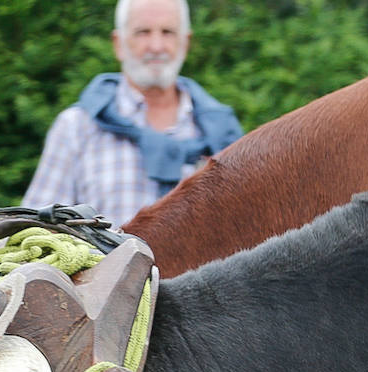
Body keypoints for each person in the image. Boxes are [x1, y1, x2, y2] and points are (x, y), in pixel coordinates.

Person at [21, 0, 243, 228]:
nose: (156, 46)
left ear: (185, 43)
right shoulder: (76, 127)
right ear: (118, 44)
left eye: (168, 32)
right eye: (142, 32)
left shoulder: (222, 134)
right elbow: (36, 229)